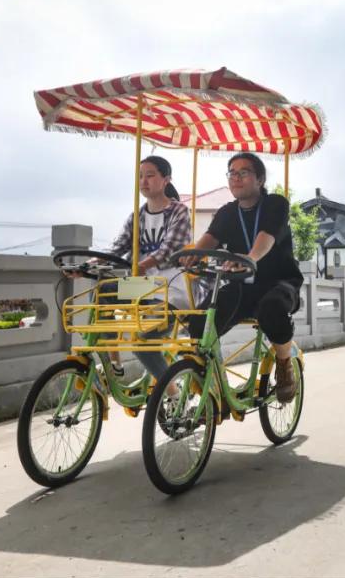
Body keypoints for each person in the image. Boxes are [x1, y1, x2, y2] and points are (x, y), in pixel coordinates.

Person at [187, 152, 302, 402]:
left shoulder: (275, 204)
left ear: (259, 179)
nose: (236, 178)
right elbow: (209, 239)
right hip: (242, 286)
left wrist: (251, 257)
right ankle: (212, 378)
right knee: (198, 322)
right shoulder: (227, 212)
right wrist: (192, 256)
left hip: (279, 282)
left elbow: (266, 237)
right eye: (232, 173)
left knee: (272, 309)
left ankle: (284, 364)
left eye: (243, 172)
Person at [102, 155, 192, 380]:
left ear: (166, 180)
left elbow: (169, 249)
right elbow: (117, 249)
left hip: (170, 290)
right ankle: (113, 362)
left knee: (142, 341)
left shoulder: (179, 211)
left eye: (150, 175)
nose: (143, 181)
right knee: (104, 290)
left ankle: (170, 393)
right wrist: (89, 264)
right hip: (144, 287)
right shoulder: (137, 216)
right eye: (140, 176)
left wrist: (143, 265)